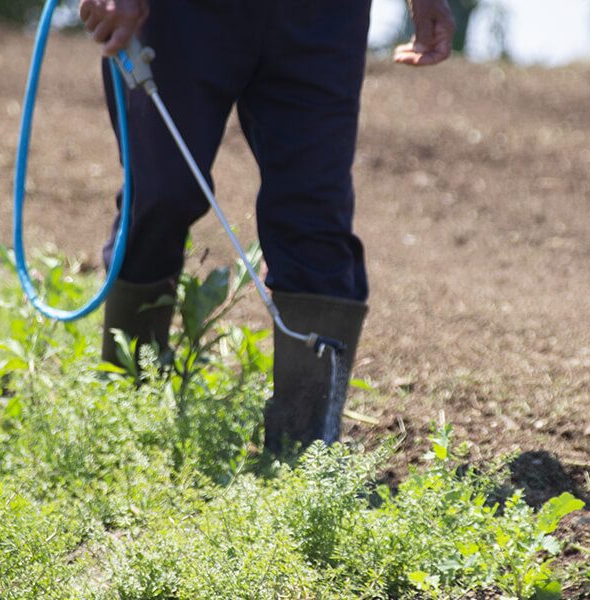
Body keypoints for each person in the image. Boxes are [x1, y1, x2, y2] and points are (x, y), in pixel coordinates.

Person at [79, 0, 455, 453]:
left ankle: (306, 458)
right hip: (177, 14)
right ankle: (125, 428)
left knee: (314, 217)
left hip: (319, 16)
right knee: (162, 194)